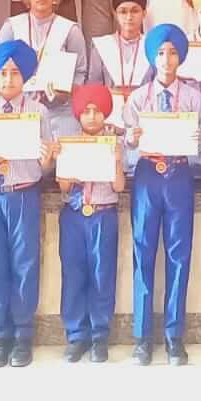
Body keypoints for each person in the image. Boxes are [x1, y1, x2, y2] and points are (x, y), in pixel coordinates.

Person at [0, 39, 58, 369]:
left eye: (15, 73)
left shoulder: (38, 112)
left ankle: (22, 335)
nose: (8, 79)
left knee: (24, 265)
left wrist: (48, 159)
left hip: (23, 194)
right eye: (3, 73)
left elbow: (46, 167)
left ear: (25, 77)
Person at [121, 23, 201, 366]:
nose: (167, 59)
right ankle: (142, 337)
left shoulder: (194, 97)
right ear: (152, 58)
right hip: (147, 176)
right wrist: (130, 140)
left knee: (179, 255)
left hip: (179, 175)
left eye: (172, 52)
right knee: (143, 252)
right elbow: (127, 147)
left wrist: (197, 140)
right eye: (160, 53)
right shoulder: (138, 98)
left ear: (180, 57)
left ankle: (174, 335)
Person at [56, 83, 127, 363]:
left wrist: (117, 162)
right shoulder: (69, 143)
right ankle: (76, 335)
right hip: (74, 214)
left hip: (103, 214)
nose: (92, 116)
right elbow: (63, 186)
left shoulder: (114, 144)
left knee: (101, 275)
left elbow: (119, 187)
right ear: (78, 114)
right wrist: (68, 172)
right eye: (86, 111)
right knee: (73, 275)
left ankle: (99, 336)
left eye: (97, 111)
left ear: (106, 113)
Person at [0, 0, 90, 132]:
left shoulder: (70, 30)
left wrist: (67, 91)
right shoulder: (12, 27)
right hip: (20, 108)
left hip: (60, 111)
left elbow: (80, 72)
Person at [86, 0, 152, 111]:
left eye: (135, 11)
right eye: (123, 11)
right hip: (108, 113)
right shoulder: (102, 45)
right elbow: (94, 87)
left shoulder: (152, 46)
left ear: (144, 13)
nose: (129, 17)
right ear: (115, 14)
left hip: (145, 113)